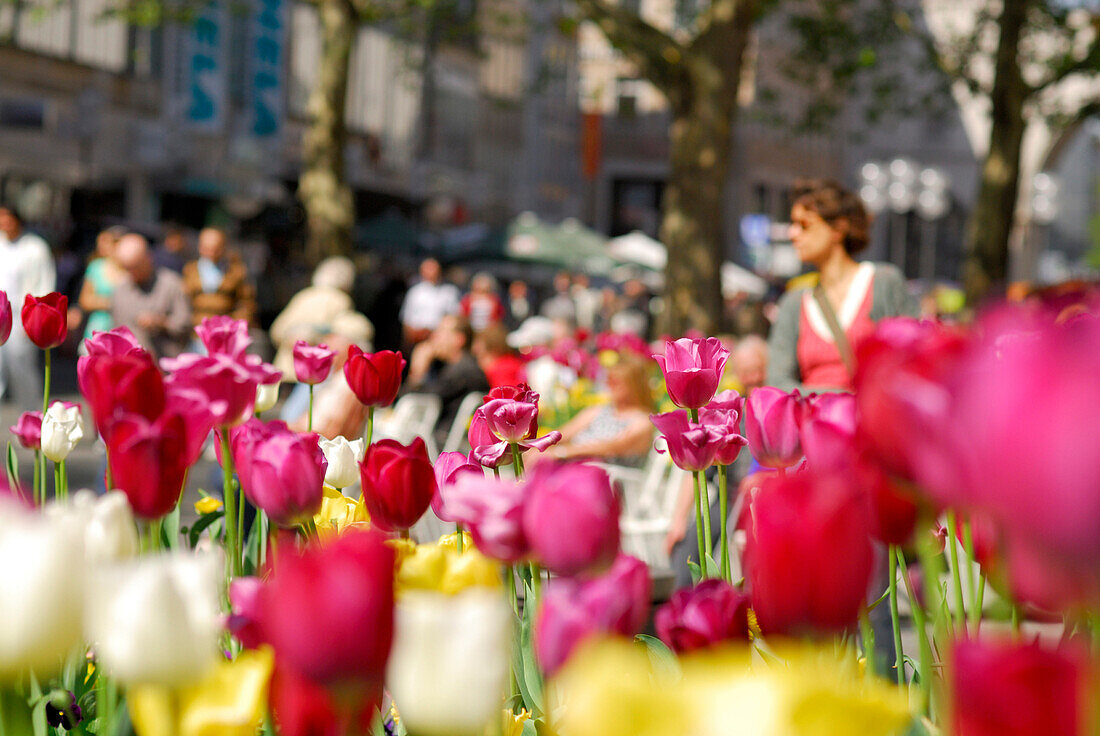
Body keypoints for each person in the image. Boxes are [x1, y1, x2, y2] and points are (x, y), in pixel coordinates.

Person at [767, 179, 918, 391]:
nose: (792, 234)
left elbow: (914, 359)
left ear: (838, 229)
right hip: (812, 422)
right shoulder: (794, 302)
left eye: (804, 225)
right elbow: (777, 383)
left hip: (868, 421)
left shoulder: (883, 282)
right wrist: (839, 398)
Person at [541, 354, 654, 466]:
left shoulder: (641, 421)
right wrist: (537, 446)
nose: (609, 385)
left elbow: (612, 447)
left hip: (605, 476)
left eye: (615, 381)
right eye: (608, 379)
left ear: (633, 385)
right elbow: (562, 435)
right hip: (575, 465)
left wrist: (562, 452)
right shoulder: (598, 411)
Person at [269, 256, 364, 379]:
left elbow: (277, 331)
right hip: (311, 372)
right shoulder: (340, 300)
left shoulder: (303, 296)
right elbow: (347, 331)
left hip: (285, 369)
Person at [0, 203, 55, 409]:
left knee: (22, 369)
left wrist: (36, 319)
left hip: (21, 317)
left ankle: (31, 415)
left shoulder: (35, 247)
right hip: (1, 315)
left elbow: (45, 282)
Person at [405, 314, 489, 442]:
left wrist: (417, 371)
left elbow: (418, 400)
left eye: (441, 332)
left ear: (459, 339)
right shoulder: (457, 368)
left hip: (443, 442)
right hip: (443, 439)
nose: (434, 337)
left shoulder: (464, 372)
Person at [111, 233, 192, 359]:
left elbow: (185, 324)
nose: (132, 273)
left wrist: (161, 322)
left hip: (164, 367)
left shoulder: (172, 284)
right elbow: (116, 330)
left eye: (135, 267)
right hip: (132, 367)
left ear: (148, 258)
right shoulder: (120, 290)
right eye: (127, 268)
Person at [182, 227, 256, 328]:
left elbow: (246, 304)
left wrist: (235, 326)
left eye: (216, 249)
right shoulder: (190, 271)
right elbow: (183, 303)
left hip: (225, 332)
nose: (211, 254)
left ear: (223, 247)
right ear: (200, 247)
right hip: (196, 333)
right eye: (207, 249)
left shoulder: (236, 272)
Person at [78, 227, 127, 342]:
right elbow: (85, 300)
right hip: (98, 329)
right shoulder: (95, 267)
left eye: (105, 242)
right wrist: (112, 303)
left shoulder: (130, 270)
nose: (100, 246)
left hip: (121, 332)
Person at [400, 258, 460, 349]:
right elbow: (407, 318)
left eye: (433, 269)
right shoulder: (414, 292)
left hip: (439, 339)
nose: (430, 272)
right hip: (417, 338)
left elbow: (453, 317)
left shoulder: (449, 292)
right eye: (427, 269)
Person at [473, 323, 526, 389]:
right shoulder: (510, 362)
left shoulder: (502, 368)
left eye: (478, 344)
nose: (474, 348)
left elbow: (504, 394)